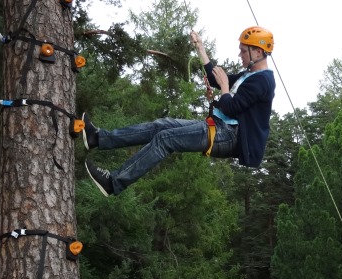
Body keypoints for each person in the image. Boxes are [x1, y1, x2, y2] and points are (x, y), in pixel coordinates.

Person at [82, 27, 276, 196]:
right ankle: (98, 138)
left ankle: (113, 183)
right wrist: (200, 47)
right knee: (161, 125)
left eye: (243, 51)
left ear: (257, 52)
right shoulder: (249, 75)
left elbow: (233, 107)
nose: (239, 54)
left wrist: (225, 88)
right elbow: (216, 79)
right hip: (219, 127)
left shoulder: (263, 81)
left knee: (165, 139)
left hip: (229, 136)